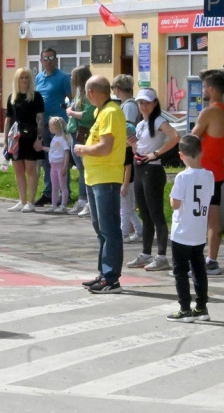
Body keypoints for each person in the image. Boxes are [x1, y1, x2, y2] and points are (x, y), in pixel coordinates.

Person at [75, 75, 127, 294]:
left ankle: (112, 278)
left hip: (106, 177)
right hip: (95, 177)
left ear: (90, 92)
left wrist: (82, 149)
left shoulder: (111, 113)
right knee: (100, 229)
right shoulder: (101, 112)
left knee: (109, 229)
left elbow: (105, 147)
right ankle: (104, 273)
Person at [126, 88, 180, 272]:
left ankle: (162, 256)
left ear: (155, 103)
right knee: (145, 214)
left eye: (147, 102)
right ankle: (146, 253)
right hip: (140, 168)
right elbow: (139, 149)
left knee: (156, 214)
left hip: (153, 170)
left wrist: (157, 153)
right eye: (141, 102)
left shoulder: (158, 120)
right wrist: (134, 148)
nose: (143, 106)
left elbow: (175, 136)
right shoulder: (142, 123)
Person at [166, 135, 213, 322]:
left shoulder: (182, 177)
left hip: (182, 233)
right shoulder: (209, 175)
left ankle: (185, 309)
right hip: (199, 232)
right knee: (199, 269)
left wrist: (172, 198)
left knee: (180, 271)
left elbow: (175, 204)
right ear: (201, 152)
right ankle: (202, 306)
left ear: (181, 155)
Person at [190, 69, 224, 275]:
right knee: (212, 217)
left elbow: (190, 139)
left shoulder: (209, 111)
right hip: (216, 171)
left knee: (198, 217)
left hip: (203, 172)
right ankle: (211, 260)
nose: (202, 90)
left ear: (212, 89)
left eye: (204, 86)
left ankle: (200, 262)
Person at [34, 48, 73, 206]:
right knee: (46, 159)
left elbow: (71, 99)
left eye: (51, 58)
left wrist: (66, 115)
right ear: (41, 61)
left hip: (57, 125)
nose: (48, 60)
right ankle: (49, 192)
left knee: (61, 157)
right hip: (42, 124)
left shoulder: (63, 77)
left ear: (56, 60)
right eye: (45, 58)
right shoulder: (38, 77)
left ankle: (65, 192)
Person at [3, 67, 45, 212]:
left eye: (27, 77)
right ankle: (22, 201)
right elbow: (8, 120)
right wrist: (5, 141)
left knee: (31, 169)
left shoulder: (36, 96)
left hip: (31, 137)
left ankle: (31, 202)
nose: (24, 80)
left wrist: (39, 139)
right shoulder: (12, 97)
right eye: (22, 77)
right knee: (18, 170)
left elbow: (40, 118)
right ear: (17, 80)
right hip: (15, 138)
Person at [67, 65, 96, 216]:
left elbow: (87, 115)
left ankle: (87, 201)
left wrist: (71, 112)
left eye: (73, 76)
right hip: (75, 132)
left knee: (84, 168)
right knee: (81, 169)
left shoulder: (89, 95)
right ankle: (82, 199)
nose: (71, 79)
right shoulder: (80, 93)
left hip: (82, 134)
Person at [41, 117, 71, 213]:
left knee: (63, 186)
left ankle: (63, 205)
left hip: (60, 165)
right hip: (53, 165)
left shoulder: (63, 139)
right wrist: (42, 148)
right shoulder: (54, 138)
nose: (49, 128)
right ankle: (54, 205)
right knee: (54, 186)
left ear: (56, 127)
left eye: (50, 126)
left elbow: (66, 152)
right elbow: (53, 150)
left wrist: (65, 167)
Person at [120, 123, 144, 242]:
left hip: (127, 183)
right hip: (130, 182)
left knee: (124, 209)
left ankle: (124, 234)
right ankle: (139, 231)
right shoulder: (129, 150)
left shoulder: (126, 150)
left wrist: (124, 185)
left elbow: (128, 168)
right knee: (130, 209)